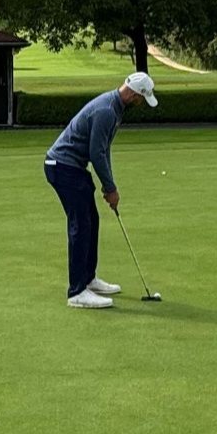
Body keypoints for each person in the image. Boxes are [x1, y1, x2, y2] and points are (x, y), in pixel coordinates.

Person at [43, 71, 158, 309]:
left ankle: (88, 279)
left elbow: (103, 151)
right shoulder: (107, 110)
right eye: (141, 98)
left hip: (72, 167)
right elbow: (97, 153)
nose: (140, 103)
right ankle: (76, 292)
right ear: (134, 94)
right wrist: (111, 188)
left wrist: (109, 185)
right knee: (80, 224)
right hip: (62, 166)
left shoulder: (115, 109)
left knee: (91, 221)